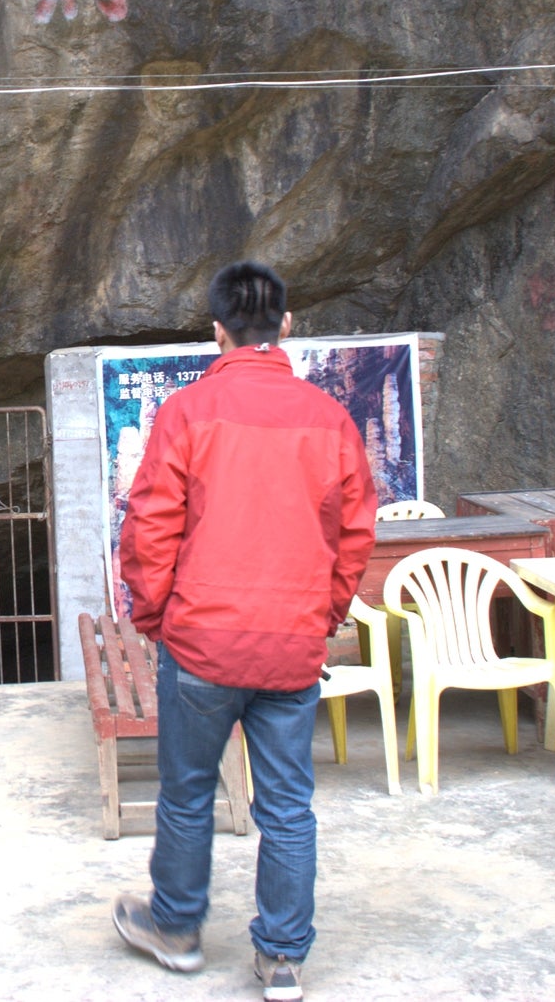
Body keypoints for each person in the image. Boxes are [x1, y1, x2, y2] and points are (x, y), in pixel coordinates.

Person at [111, 260, 377, 1002]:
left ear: (217, 331)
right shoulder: (329, 419)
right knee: (287, 805)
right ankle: (283, 959)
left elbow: (149, 530)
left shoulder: (187, 412)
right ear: (285, 325)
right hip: (291, 645)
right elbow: (355, 536)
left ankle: (177, 931)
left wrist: (157, 617)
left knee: (188, 793)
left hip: (201, 643)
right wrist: (320, 616)